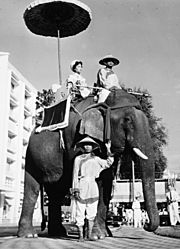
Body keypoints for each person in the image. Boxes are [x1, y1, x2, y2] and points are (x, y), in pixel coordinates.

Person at [70, 136, 113, 242]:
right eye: (85, 144)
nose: (87, 146)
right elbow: (75, 175)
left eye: (89, 144)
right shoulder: (78, 159)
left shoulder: (96, 159)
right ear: (82, 147)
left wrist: (108, 149)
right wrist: (75, 189)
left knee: (92, 211)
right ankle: (80, 236)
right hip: (81, 185)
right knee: (80, 211)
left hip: (93, 186)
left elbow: (108, 162)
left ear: (93, 147)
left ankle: (88, 235)